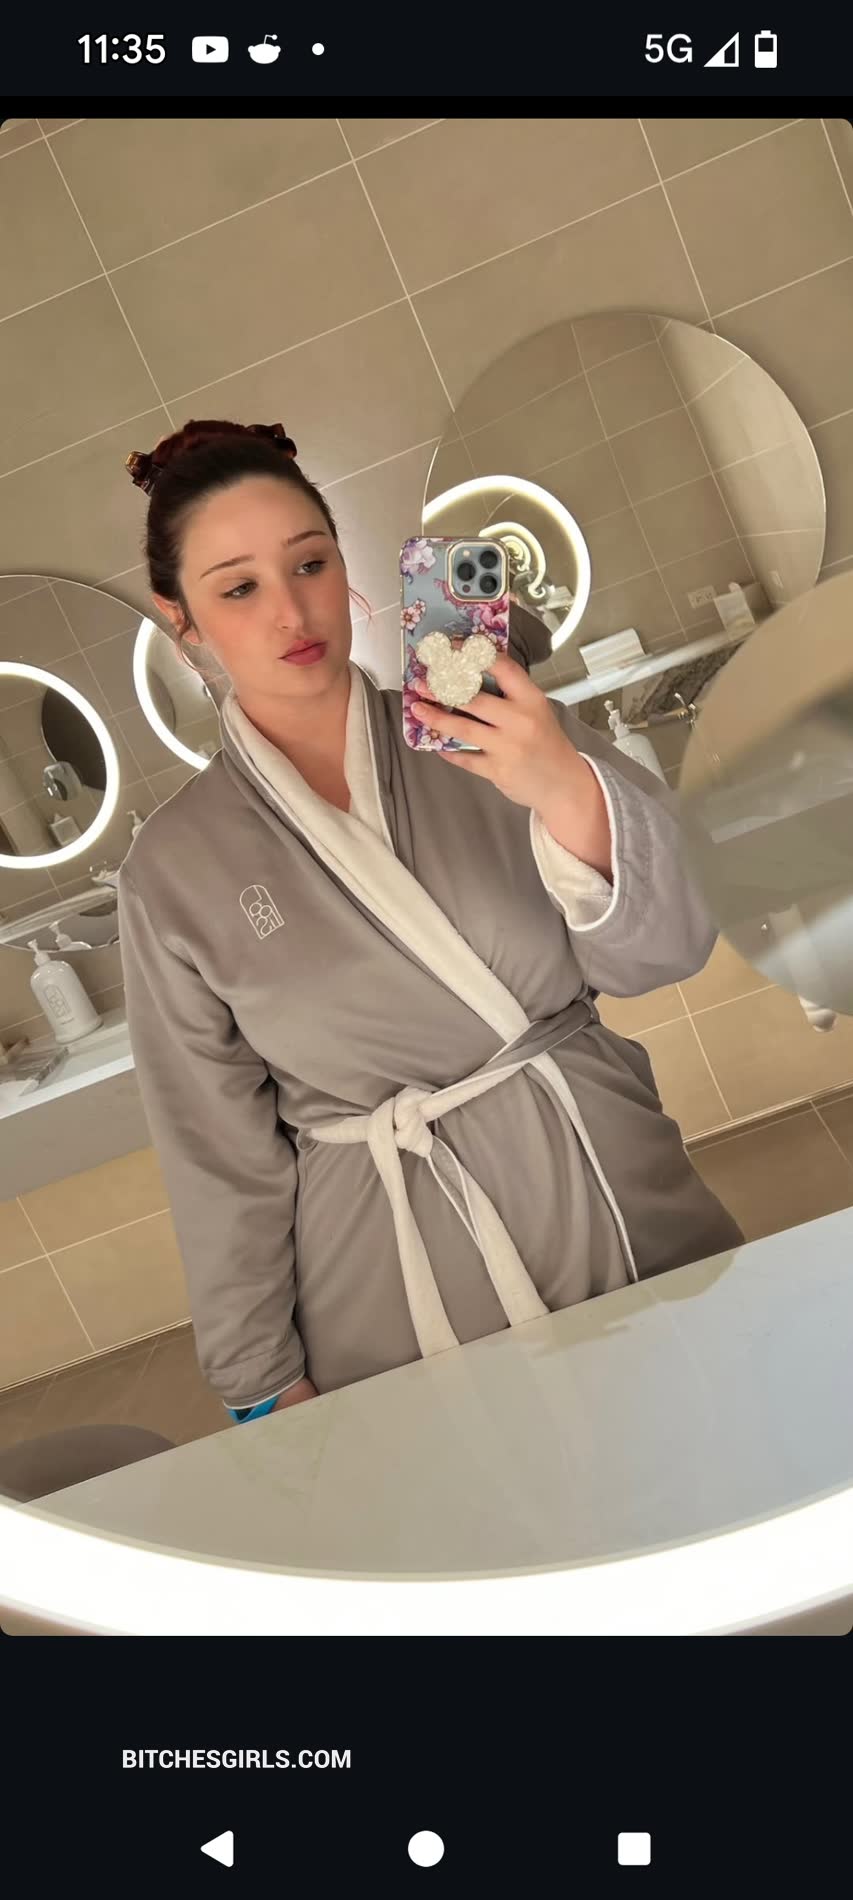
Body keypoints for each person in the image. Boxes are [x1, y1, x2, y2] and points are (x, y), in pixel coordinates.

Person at [119, 419, 742, 1426]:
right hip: (388, 1283)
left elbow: (667, 951)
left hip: (612, 1196)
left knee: (711, 1444)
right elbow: (216, 1154)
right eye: (237, 588)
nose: (291, 611)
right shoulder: (172, 871)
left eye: (310, 564)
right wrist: (259, 1378)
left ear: (344, 563)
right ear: (179, 618)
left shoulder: (499, 730)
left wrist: (563, 784)